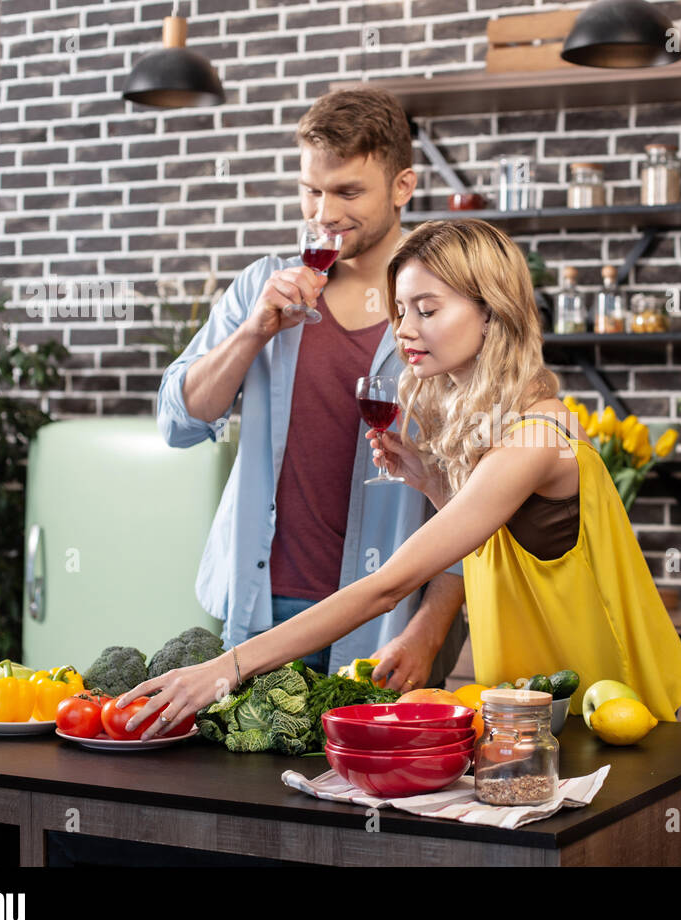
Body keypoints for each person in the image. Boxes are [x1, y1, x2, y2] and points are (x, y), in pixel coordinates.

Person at [119, 219, 681, 740]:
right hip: (538, 716)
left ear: (491, 311)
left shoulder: (535, 435)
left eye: (428, 309)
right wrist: (434, 486)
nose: (405, 330)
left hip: (602, 715)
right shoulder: (515, 420)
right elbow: (513, 550)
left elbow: (388, 586)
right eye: (400, 311)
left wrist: (227, 667)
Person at [155, 87, 467, 692]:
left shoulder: (447, 305)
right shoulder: (261, 288)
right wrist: (252, 333)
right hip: (254, 614)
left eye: (349, 192)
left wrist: (429, 632)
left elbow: (477, 499)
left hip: (388, 625)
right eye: (311, 190)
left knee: (369, 787)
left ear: (403, 186)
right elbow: (179, 421)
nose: (324, 213)